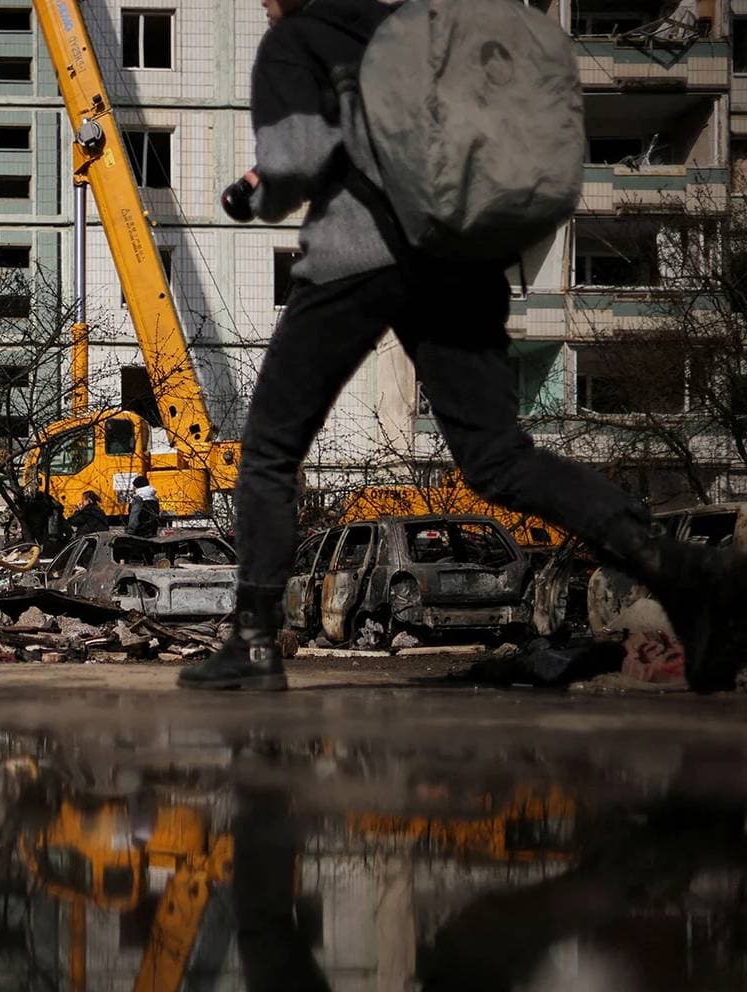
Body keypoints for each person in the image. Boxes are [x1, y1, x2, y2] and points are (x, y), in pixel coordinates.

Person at [183, 0, 747, 693]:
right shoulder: (414, 31)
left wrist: (256, 196)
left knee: (269, 450)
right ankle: (681, 572)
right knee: (497, 457)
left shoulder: (298, 39)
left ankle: (254, 642)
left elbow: (297, 161)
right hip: (462, 260)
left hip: (359, 254)